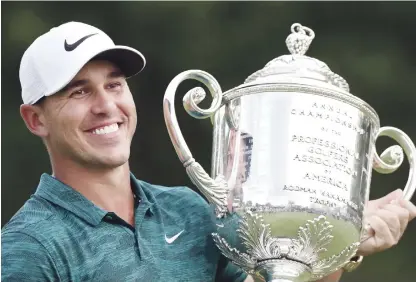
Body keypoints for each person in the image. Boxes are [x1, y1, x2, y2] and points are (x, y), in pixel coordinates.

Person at [1, 21, 416, 282]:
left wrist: (337, 244)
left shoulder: (190, 212)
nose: (106, 106)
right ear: (36, 120)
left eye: (114, 84)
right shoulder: (28, 247)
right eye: (78, 91)